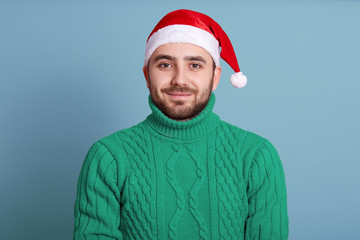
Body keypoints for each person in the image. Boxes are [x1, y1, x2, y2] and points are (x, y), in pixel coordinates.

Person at [73, 9, 289, 240]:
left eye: (195, 65)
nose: (179, 79)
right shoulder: (108, 157)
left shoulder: (257, 155)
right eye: (165, 65)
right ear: (147, 76)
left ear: (215, 77)